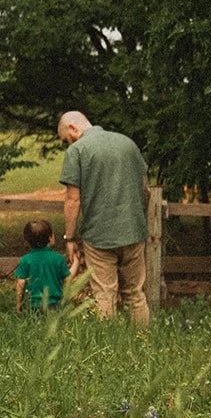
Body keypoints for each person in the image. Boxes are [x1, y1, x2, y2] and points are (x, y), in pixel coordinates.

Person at [58, 111, 151, 324]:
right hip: (133, 232)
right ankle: (145, 344)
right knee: (135, 294)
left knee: (104, 294)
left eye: (66, 140)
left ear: (73, 128)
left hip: (98, 236)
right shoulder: (127, 144)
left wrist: (70, 239)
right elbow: (145, 190)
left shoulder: (78, 150)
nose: (68, 144)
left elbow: (73, 200)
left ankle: (107, 350)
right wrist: (135, 219)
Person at [12, 219, 69, 312]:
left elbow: (20, 283)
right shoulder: (59, 259)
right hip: (55, 304)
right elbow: (67, 280)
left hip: (32, 305)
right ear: (50, 238)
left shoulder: (25, 260)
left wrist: (19, 304)